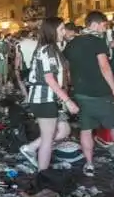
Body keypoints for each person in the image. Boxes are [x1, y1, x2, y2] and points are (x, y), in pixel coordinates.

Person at [64, 11, 114, 176]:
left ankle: (89, 164)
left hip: (81, 93)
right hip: (101, 92)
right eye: (104, 25)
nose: (105, 29)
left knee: (86, 129)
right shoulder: (97, 42)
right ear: (96, 24)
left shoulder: (71, 44)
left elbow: (67, 69)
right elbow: (105, 68)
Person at [19, 18, 78, 171]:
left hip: (50, 98)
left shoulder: (52, 48)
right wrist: (68, 101)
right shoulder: (48, 50)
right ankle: (42, 175)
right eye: (61, 29)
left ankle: (30, 148)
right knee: (47, 138)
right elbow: (49, 79)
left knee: (64, 130)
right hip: (43, 98)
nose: (64, 32)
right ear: (52, 31)